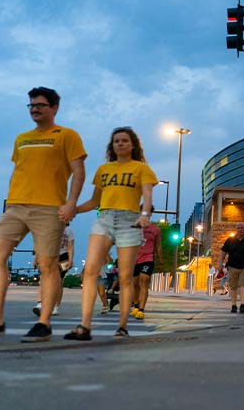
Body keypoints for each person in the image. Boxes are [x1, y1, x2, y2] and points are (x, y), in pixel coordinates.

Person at [0, 87, 86, 342]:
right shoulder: (22, 139)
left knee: (48, 264)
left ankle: (44, 323)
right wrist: (10, 201)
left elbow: (79, 171)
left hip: (49, 208)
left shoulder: (67, 136)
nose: (34, 109)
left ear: (53, 108)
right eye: (31, 105)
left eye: (40, 105)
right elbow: (20, 171)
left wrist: (71, 203)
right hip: (16, 206)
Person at [65, 126, 156, 341]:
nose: (120, 144)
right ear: (111, 146)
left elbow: (148, 192)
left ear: (132, 145)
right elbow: (95, 201)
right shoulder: (104, 170)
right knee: (90, 271)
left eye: (124, 140)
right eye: (116, 141)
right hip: (104, 219)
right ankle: (85, 326)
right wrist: (74, 209)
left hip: (129, 220)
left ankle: (122, 326)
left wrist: (145, 214)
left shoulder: (141, 168)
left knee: (125, 277)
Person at [33, 225, 74, 317]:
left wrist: (71, 260)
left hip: (63, 257)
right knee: (44, 278)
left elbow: (70, 246)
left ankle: (55, 306)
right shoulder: (48, 226)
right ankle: (40, 303)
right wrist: (36, 259)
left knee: (59, 281)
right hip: (49, 255)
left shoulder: (68, 230)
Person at [219, 222, 244, 313]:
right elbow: (223, 252)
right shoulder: (230, 240)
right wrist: (220, 263)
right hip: (232, 267)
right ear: (236, 229)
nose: (241, 229)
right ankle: (234, 305)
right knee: (233, 287)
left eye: (242, 228)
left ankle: (243, 304)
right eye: (239, 228)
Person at [131, 208, 161, 320]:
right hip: (135, 258)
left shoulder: (155, 229)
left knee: (144, 281)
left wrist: (160, 259)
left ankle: (141, 309)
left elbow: (158, 245)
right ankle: (135, 303)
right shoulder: (134, 226)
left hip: (148, 257)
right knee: (135, 284)